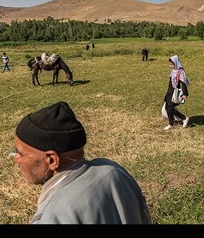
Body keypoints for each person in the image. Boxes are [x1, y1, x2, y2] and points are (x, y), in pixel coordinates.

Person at [13, 101, 151, 224]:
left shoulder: (52, 216)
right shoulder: (114, 171)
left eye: (20, 154)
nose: (16, 159)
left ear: (52, 160)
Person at [163, 55, 190, 130]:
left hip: (175, 92)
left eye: (171, 64)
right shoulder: (173, 70)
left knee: (170, 108)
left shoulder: (180, 71)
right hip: (169, 91)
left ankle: (184, 118)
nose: (170, 66)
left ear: (176, 63)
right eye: (170, 64)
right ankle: (171, 123)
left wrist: (185, 94)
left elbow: (183, 83)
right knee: (167, 107)